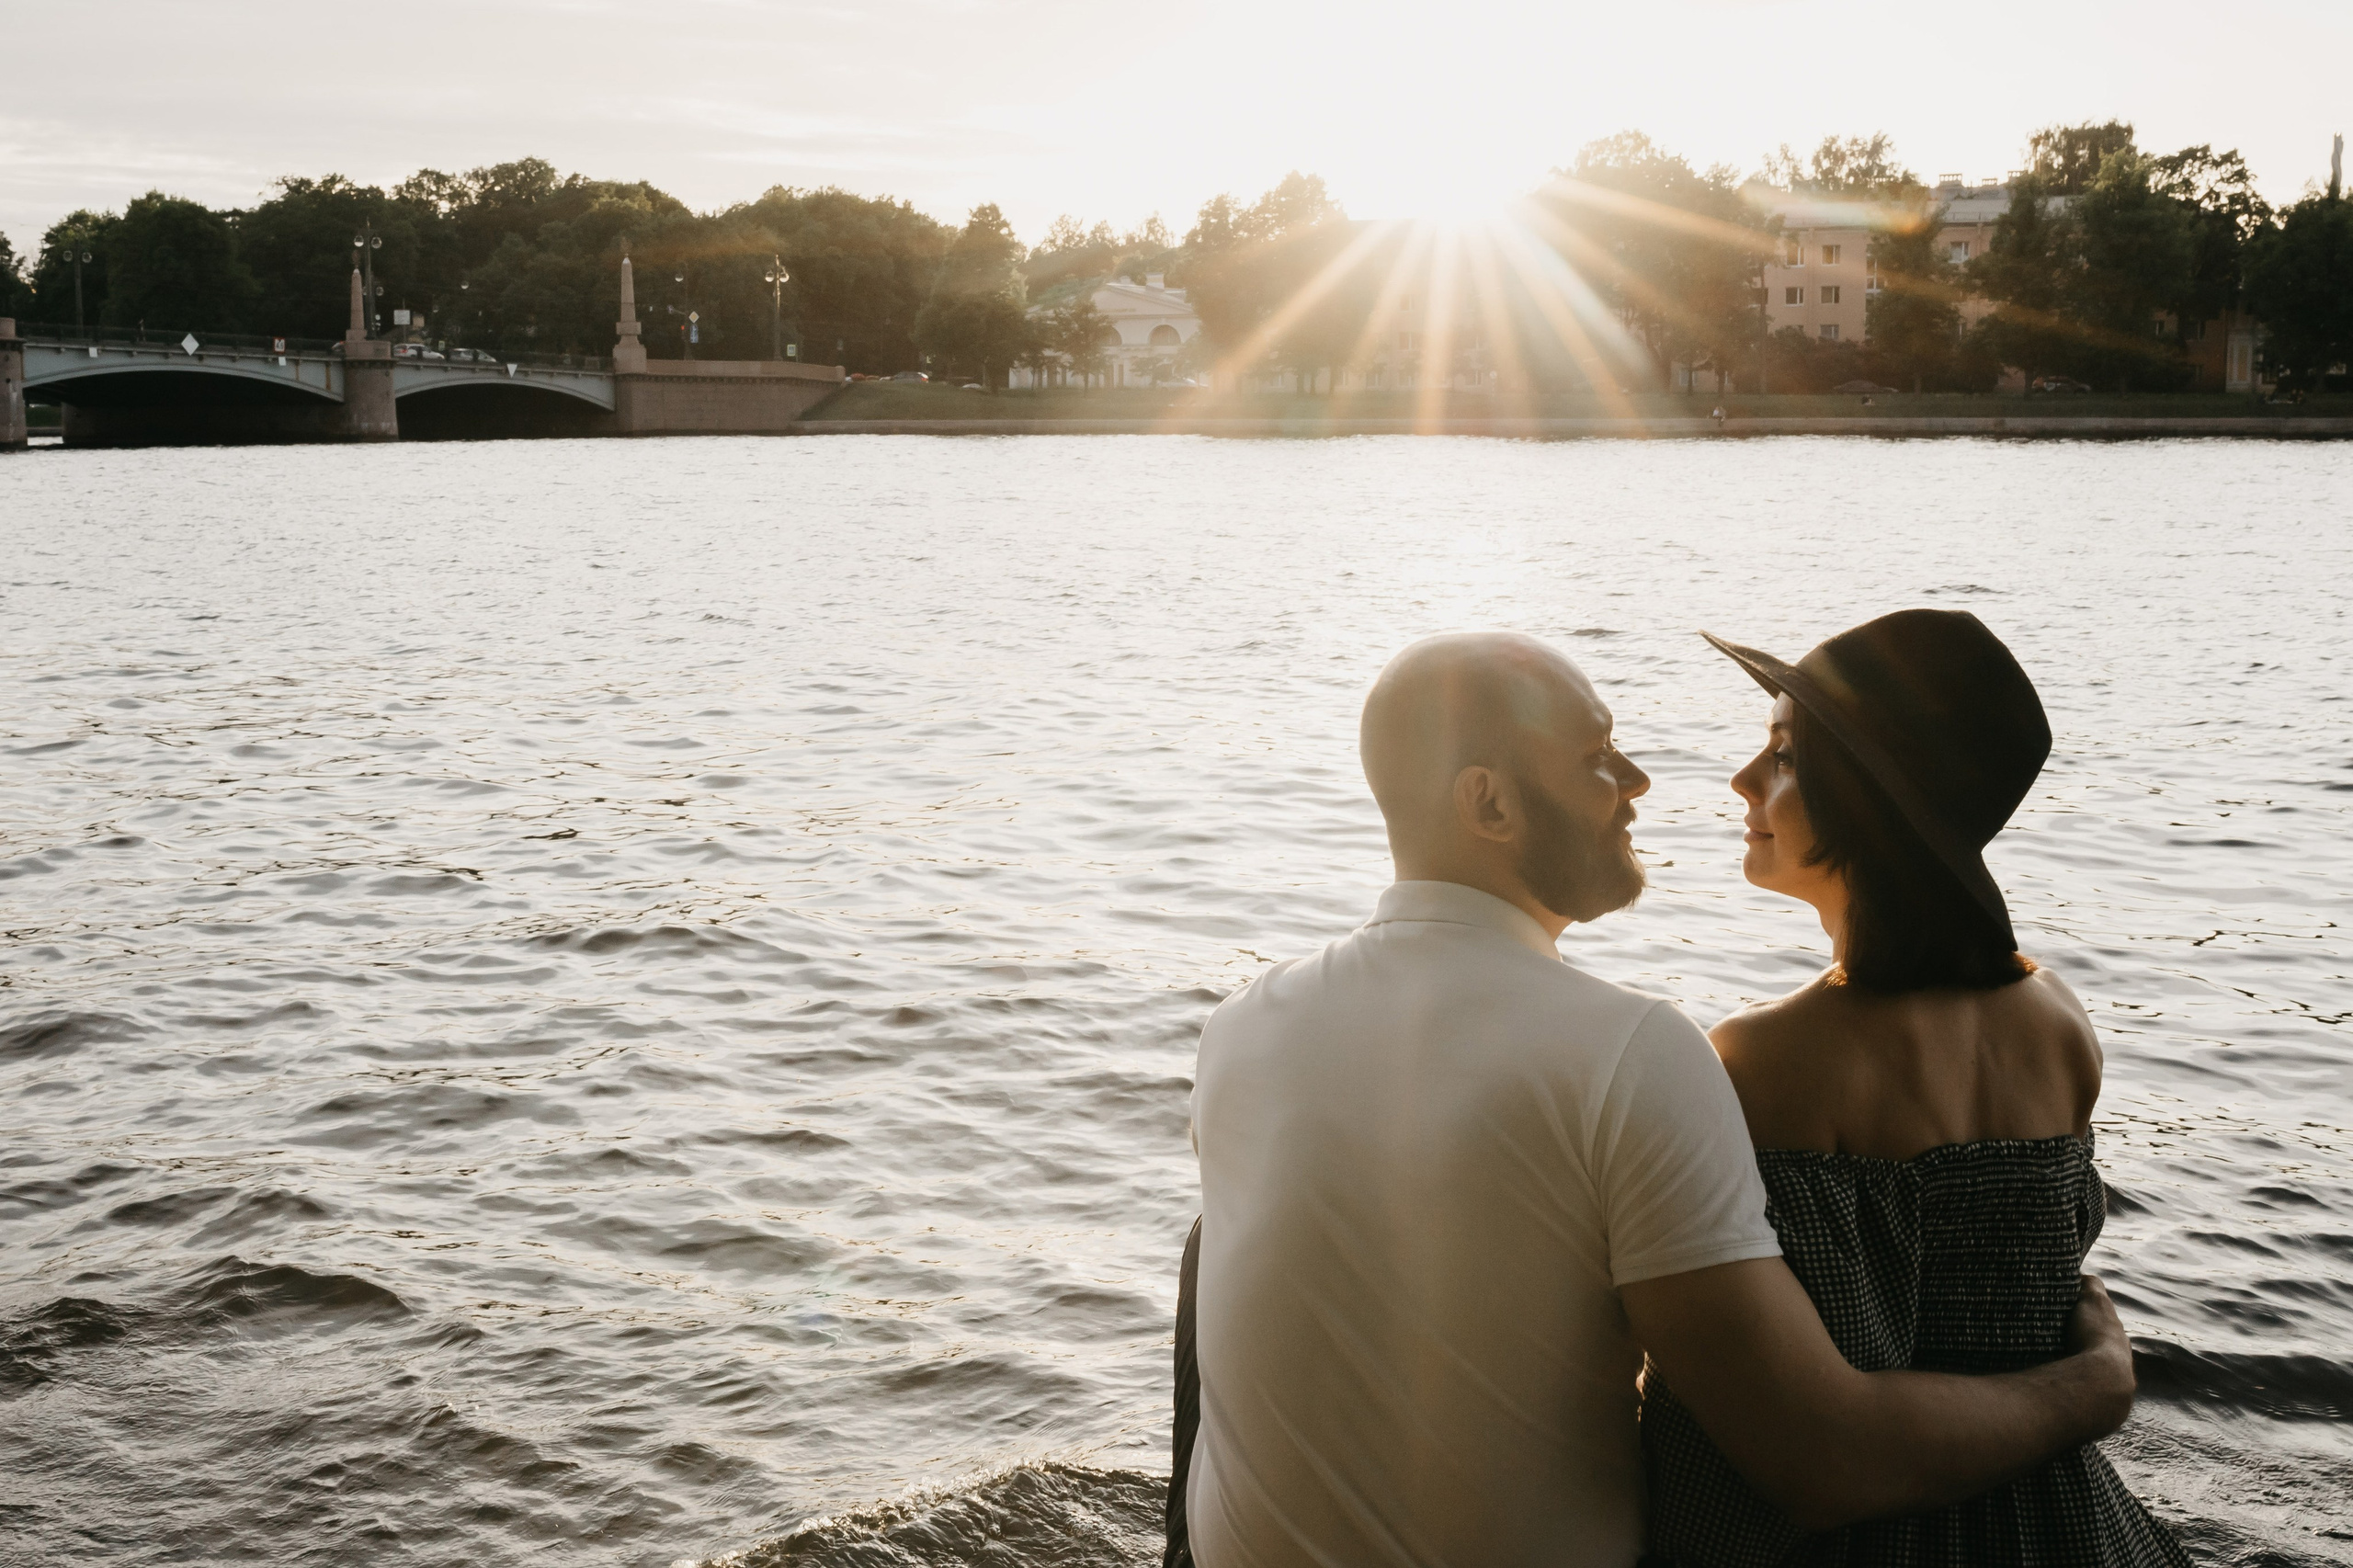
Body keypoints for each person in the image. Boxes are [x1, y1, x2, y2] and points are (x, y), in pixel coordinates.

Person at [1165, 632, 2138, 1568]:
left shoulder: (1239, 1024)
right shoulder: (1638, 1051)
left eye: (1783, 753)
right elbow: (1817, 1451)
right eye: (1598, 756)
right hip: (1989, 1499)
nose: (1640, 780)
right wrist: (2093, 1384)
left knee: (1213, 1238)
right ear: (1489, 803)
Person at [1641, 611, 2186, 1565]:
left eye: (1782, 753)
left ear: (1866, 798)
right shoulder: (2058, 1022)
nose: (1740, 779)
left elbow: (1776, 1423)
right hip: (2045, 1523)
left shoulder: (1764, 1058)